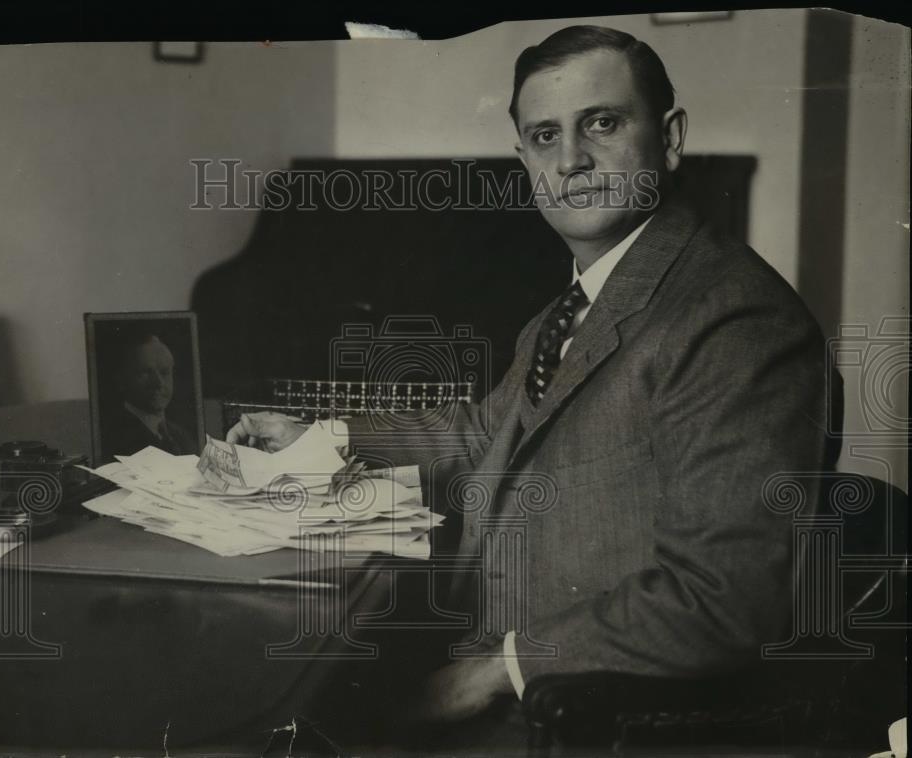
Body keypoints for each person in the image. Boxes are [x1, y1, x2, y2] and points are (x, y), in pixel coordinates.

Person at [227, 25, 841, 732]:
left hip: (586, 719)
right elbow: (484, 433)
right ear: (524, 160)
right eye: (545, 137)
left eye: (602, 124)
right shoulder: (572, 307)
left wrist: (495, 671)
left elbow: (725, 597)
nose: (572, 160)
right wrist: (321, 436)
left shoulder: (733, 322)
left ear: (669, 140)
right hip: (494, 665)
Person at [102, 330, 197, 458]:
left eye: (165, 372)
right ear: (122, 380)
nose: (159, 383)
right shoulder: (112, 437)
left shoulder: (183, 437)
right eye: (145, 372)